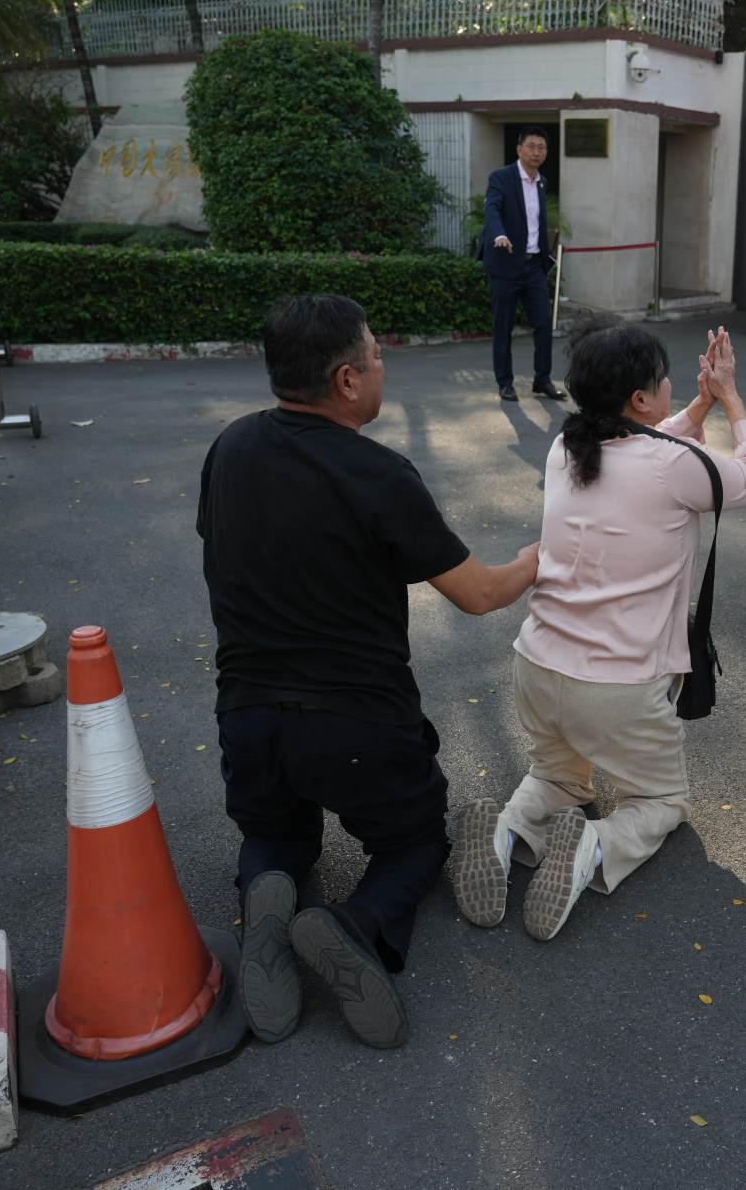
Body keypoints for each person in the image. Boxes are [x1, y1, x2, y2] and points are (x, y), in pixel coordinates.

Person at [198, 293, 539, 1050]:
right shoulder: (378, 473)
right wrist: (533, 561)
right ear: (348, 381)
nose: (384, 368)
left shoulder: (230, 449)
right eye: (378, 357)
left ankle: (268, 894)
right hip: (356, 727)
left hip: (247, 717)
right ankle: (357, 920)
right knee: (416, 838)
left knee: (274, 830)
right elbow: (478, 594)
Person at [451, 323, 746, 940]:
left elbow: (651, 447)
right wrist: (729, 399)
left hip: (537, 668)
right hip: (618, 690)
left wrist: (697, 404)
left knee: (557, 778)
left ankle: (506, 832)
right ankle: (592, 847)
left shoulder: (566, 447)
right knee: (661, 803)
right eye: (661, 381)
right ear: (641, 401)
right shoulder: (675, 467)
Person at [482, 128, 566, 403]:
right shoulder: (501, 178)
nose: (536, 152)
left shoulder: (542, 182)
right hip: (505, 265)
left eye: (542, 147)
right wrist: (499, 234)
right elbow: (492, 210)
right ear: (519, 149)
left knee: (543, 324)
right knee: (503, 327)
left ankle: (542, 380)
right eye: (531, 146)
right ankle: (504, 382)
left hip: (533, 267)